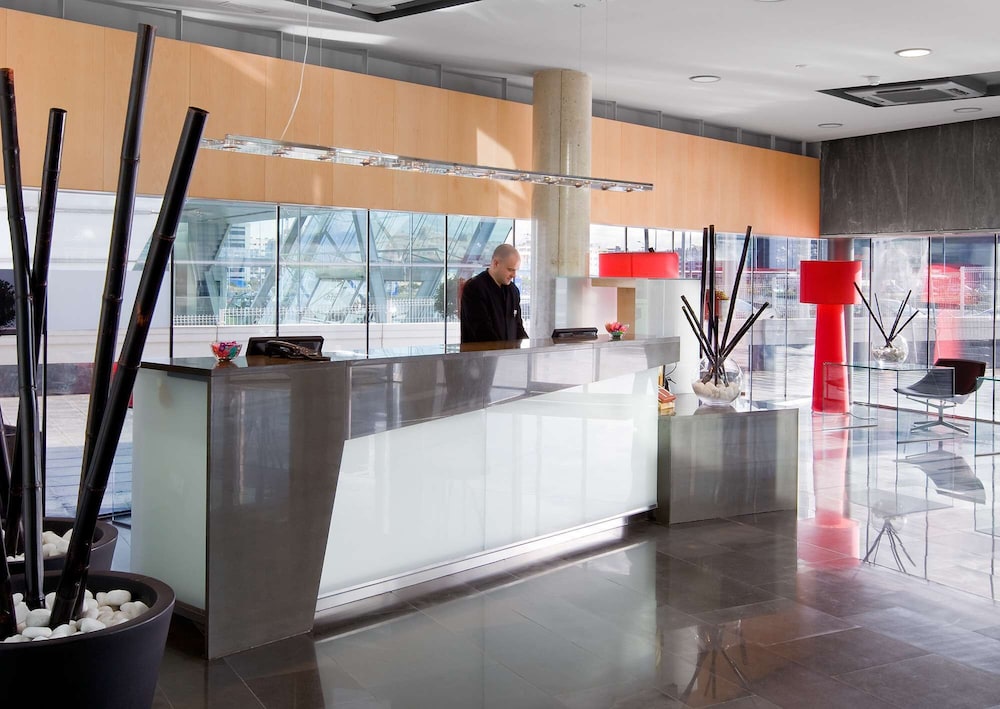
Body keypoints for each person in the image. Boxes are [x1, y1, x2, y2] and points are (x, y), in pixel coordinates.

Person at [460, 244, 529, 343]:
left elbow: (518, 328)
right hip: (481, 352)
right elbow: (482, 331)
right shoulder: (474, 288)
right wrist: (504, 350)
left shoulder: (513, 291)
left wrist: (529, 348)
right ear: (496, 263)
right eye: (510, 269)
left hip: (507, 352)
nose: (514, 275)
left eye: (516, 270)